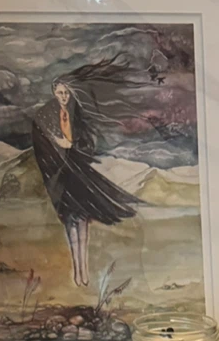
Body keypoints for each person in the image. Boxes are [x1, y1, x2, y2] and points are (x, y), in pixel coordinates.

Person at [31, 73, 142, 288]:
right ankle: (77, 271)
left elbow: (85, 140)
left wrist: (73, 145)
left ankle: (83, 270)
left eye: (66, 93)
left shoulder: (76, 113)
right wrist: (59, 144)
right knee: (71, 221)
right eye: (60, 93)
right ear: (54, 92)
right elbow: (45, 141)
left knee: (83, 221)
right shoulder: (46, 114)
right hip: (62, 175)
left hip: (78, 173)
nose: (64, 96)